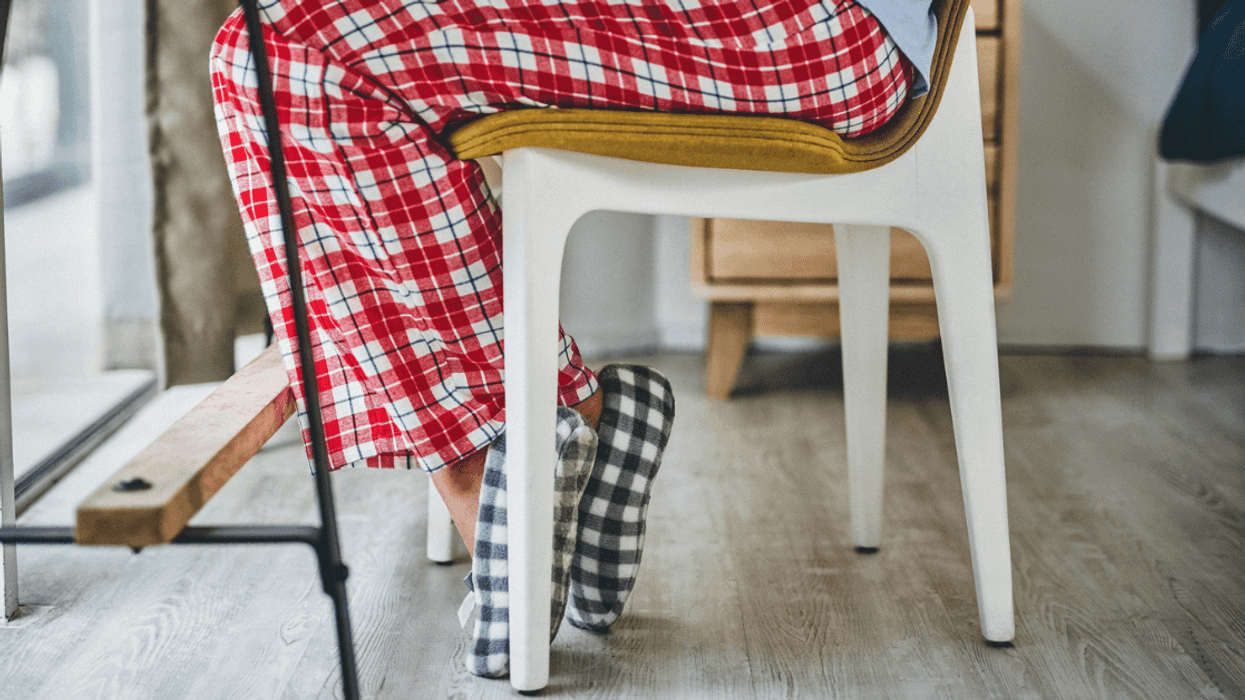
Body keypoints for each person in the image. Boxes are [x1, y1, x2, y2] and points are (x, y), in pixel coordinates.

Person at [212, 0, 935, 677]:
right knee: (266, 44)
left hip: (808, 31)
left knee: (287, 47)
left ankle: (498, 460)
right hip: (790, 27)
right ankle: (548, 427)